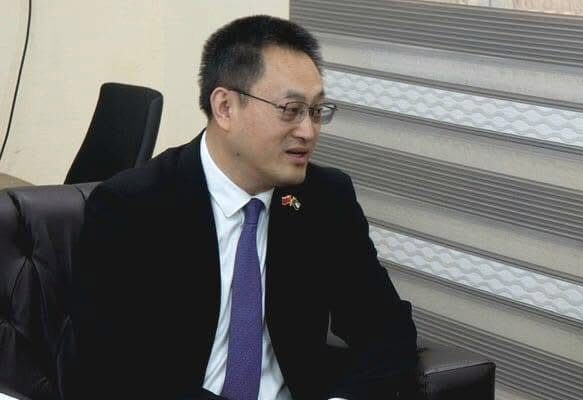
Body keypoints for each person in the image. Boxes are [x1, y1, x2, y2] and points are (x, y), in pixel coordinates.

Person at [70, 15, 417, 400]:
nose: (308, 131)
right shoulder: (133, 206)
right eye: (290, 109)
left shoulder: (324, 198)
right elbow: (115, 370)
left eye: (317, 111)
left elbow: (387, 330)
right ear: (225, 107)